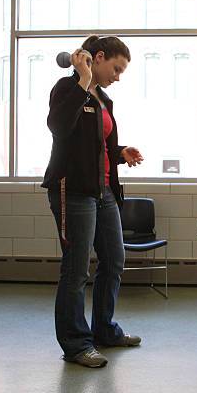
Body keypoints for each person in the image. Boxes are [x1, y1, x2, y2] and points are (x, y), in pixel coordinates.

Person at [41, 35, 144, 368]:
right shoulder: (67, 88)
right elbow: (59, 128)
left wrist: (118, 153)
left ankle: (104, 330)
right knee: (76, 270)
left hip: (103, 192)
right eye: (116, 68)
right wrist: (83, 80)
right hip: (73, 191)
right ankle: (75, 344)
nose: (118, 76)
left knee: (114, 260)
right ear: (97, 58)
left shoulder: (104, 100)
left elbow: (95, 145)